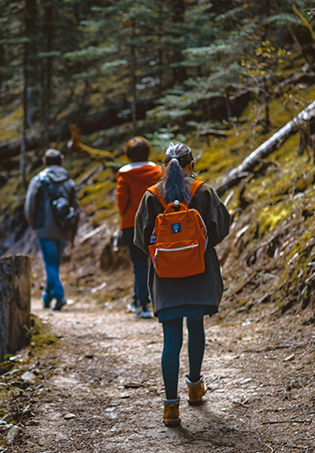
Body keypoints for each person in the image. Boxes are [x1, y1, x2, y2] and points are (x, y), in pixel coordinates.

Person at [134, 143, 230, 427]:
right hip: (200, 271)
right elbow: (221, 227)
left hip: (165, 276)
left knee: (171, 339)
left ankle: (170, 407)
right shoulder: (203, 190)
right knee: (196, 326)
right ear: (192, 163)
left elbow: (140, 238)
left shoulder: (152, 195)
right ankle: (195, 386)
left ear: (164, 166)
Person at [25, 149, 79, 311]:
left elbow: (30, 205)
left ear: (44, 162)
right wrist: (73, 231)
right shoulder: (68, 181)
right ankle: (47, 297)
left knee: (50, 263)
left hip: (45, 227)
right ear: (61, 162)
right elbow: (76, 208)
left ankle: (59, 295)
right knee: (54, 263)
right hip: (64, 228)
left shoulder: (38, 180)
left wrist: (33, 224)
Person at [116, 137, 163, 318]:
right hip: (156, 223)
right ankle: (153, 301)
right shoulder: (157, 171)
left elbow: (121, 201)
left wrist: (126, 216)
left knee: (139, 265)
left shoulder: (124, 174)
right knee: (156, 262)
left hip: (132, 224)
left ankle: (142, 305)